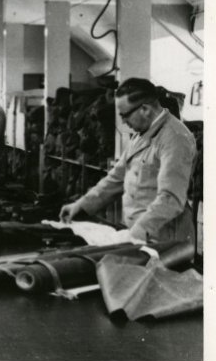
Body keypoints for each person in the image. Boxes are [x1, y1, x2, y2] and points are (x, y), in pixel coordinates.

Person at [59, 78, 197, 245]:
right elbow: (116, 177)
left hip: (165, 238)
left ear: (145, 109)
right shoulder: (140, 135)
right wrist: (81, 205)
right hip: (140, 234)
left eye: (125, 115)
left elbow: (171, 198)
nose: (123, 122)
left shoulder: (175, 138)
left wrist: (138, 231)